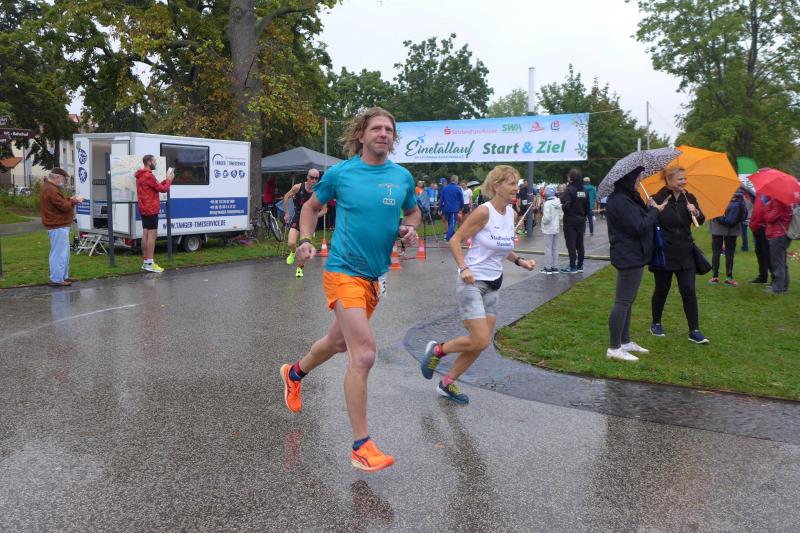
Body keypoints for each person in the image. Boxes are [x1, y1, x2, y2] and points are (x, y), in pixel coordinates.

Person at [279, 107, 420, 472]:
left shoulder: (402, 177)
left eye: (389, 129)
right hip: (343, 271)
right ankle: (361, 446)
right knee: (365, 353)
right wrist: (305, 240)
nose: (384, 133)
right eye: (377, 128)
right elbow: (309, 208)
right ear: (361, 135)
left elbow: (412, 213)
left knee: (338, 342)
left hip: (375, 277)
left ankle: (294, 373)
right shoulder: (342, 173)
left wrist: (409, 229)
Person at [419, 165, 535, 403]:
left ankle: (447, 383)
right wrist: (464, 268)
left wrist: (520, 261)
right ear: (496, 186)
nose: (517, 188)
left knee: (480, 344)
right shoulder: (484, 212)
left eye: (517, 183)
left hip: (494, 284)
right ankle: (437, 350)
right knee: (480, 339)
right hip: (472, 281)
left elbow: (501, 247)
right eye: (511, 183)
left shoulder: (511, 214)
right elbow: (455, 240)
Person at [605, 166, 663, 362]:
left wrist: (649, 207)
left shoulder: (628, 198)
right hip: (628, 254)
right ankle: (614, 347)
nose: (640, 180)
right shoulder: (620, 200)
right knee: (622, 301)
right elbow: (639, 226)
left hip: (634, 253)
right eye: (637, 177)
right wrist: (654, 212)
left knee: (628, 300)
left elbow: (638, 219)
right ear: (627, 179)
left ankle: (625, 341)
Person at [648, 166, 709, 344]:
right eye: (680, 179)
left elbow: (701, 220)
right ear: (668, 180)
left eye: (684, 178)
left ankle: (694, 330)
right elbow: (647, 222)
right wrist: (654, 210)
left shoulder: (689, 198)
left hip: (685, 252)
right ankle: (656, 323)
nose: (684, 182)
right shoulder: (656, 198)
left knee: (688, 290)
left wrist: (695, 212)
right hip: (664, 253)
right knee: (662, 289)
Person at [39, 168, 84, 287]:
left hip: (58, 225)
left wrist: (71, 200)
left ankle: (63, 276)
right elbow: (64, 206)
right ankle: (57, 279)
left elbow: (61, 203)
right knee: (58, 253)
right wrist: (75, 201)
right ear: (57, 177)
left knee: (64, 253)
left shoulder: (50, 188)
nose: (64, 181)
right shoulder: (51, 190)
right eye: (63, 179)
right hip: (57, 225)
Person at [283, 169, 326, 278]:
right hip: (297, 218)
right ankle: (293, 252)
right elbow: (286, 196)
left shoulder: (319, 192)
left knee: (305, 246)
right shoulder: (298, 187)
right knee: (291, 243)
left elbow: (324, 210)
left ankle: (299, 268)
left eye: (316, 178)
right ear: (307, 177)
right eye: (312, 177)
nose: (314, 180)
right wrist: (287, 213)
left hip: (309, 223)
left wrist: (314, 216)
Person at [135, 155, 174, 273]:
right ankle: (150, 263)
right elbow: (163, 189)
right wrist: (169, 180)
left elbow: (156, 187)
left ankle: (145, 261)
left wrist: (165, 180)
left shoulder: (141, 175)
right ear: (148, 162)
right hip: (151, 208)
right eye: (154, 161)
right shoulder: (149, 175)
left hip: (144, 208)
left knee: (145, 234)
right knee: (152, 235)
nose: (155, 163)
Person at [708, 188, 747, 286]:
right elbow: (743, 214)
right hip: (733, 229)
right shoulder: (739, 194)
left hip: (717, 228)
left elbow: (711, 211)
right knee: (730, 254)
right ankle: (729, 278)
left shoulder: (716, 194)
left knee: (716, 252)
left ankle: (714, 277)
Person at [560, 169, 590, 274]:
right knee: (580, 244)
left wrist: (562, 206)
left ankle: (572, 266)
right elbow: (587, 206)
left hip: (570, 220)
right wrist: (583, 215)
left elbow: (567, 205)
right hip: (581, 220)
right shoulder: (584, 190)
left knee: (571, 244)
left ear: (571, 177)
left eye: (568, 176)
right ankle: (580, 266)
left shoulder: (569, 190)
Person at [762, 196, 792, 294]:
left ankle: (778, 288)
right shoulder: (785, 201)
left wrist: (767, 207)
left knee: (777, 263)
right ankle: (784, 286)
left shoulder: (778, 202)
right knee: (782, 262)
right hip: (783, 234)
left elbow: (769, 218)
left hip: (777, 235)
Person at [540, 185, 563, 274]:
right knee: (555, 248)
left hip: (548, 229)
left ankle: (548, 267)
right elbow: (561, 216)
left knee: (548, 249)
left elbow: (547, 218)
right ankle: (555, 267)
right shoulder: (558, 202)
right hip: (556, 228)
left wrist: (543, 222)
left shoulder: (547, 204)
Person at [440, 175, 464, 241]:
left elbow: (441, 200)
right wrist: (461, 207)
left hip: (446, 209)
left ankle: (453, 236)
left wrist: (440, 209)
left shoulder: (445, 188)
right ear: (456, 180)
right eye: (457, 180)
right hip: (454, 209)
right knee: (452, 224)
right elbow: (461, 199)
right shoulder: (458, 188)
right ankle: (448, 238)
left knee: (450, 223)